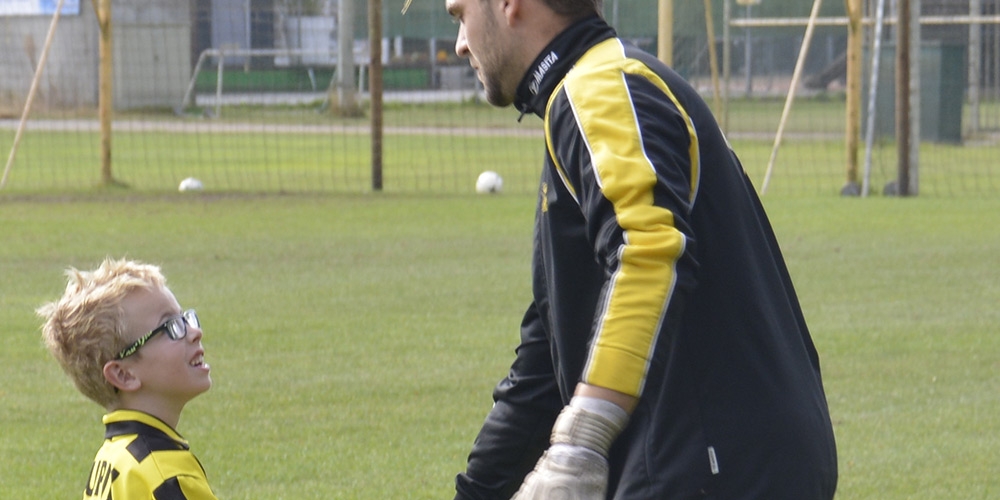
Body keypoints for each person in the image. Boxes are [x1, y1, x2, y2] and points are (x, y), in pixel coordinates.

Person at [445, 1, 838, 498]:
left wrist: (580, 442)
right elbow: (549, 358)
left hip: (711, 466)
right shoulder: (599, 90)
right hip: (732, 460)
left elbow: (647, 249)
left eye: (460, 15)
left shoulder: (600, 88)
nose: (461, 43)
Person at [38, 257, 218, 500]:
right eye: (170, 326)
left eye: (184, 318)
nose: (195, 332)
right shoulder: (166, 474)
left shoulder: (111, 457)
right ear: (123, 374)